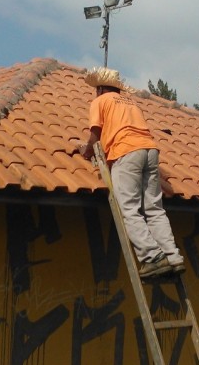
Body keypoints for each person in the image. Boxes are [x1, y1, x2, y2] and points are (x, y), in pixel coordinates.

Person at [79, 67, 185, 279]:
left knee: (129, 208)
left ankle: (152, 257)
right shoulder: (130, 103)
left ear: (100, 88)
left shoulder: (100, 101)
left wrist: (86, 151)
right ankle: (173, 257)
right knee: (154, 209)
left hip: (126, 152)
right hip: (150, 150)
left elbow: (95, 135)